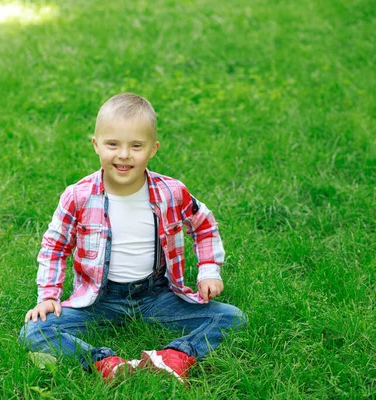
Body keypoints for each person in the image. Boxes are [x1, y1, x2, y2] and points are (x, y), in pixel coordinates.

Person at [19, 93, 246, 383]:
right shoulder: (78, 196)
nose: (124, 155)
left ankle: (174, 356)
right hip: (99, 299)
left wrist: (209, 272)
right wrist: (48, 296)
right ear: (96, 145)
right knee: (34, 330)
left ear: (153, 149)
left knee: (231, 318)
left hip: (157, 295)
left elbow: (203, 225)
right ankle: (104, 362)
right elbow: (55, 246)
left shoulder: (171, 192)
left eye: (136, 146)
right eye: (112, 144)